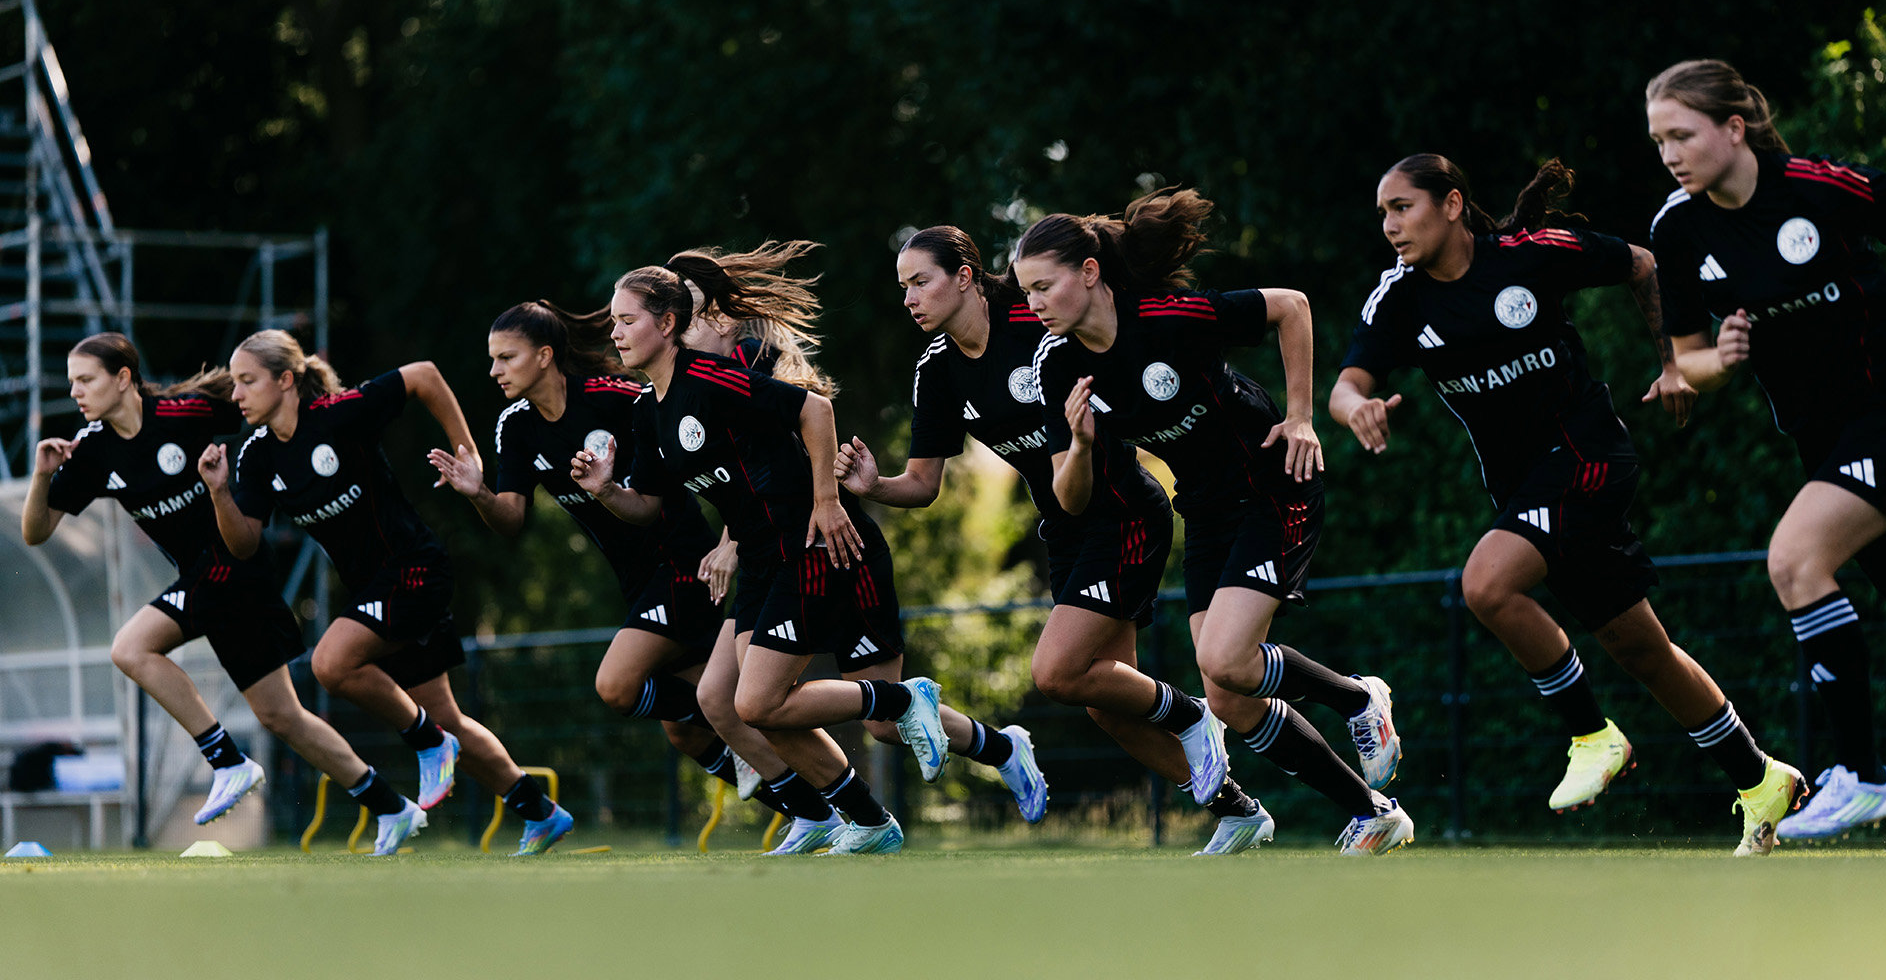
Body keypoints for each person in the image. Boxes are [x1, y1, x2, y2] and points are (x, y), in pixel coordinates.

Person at [1330, 153, 1807, 854]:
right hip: (1531, 491)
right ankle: (1761, 779)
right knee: (1641, 648)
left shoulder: (1530, 256)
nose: (1390, 225)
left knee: (1485, 584)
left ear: (1453, 204)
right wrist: (1356, 409)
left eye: (1402, 206)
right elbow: (1346, 385)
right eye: (1382, 214)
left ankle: (1592, 735)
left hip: (1589, 456)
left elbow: (1642, 262)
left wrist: (1674, 360)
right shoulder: (1398, 298)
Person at [575, 243, 1036, 854]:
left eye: (626, 319)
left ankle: (897, 732)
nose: (615, 332)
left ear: (669, 322)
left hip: (816, 546)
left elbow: (815, 410)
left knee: (771, 703)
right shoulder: (646, 414)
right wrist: (607, 492)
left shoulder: (719, 372)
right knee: (752, 705)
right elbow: (653, 506)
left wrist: (825, 501)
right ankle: (872, 810)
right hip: (769, 557)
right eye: (613, 320)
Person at [836, 225, 1278, 854]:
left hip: (1123, 514)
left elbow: (1116, 339)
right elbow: (923, 484)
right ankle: (1236, 810)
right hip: (1066, 532)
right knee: (1105, 701)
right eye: (902, 286)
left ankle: (1190, 715)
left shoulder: (1037, 320)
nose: (908, 297)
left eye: (920, 281)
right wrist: (875, 485)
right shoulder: (935, 371)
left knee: (1055, 672)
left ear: (964, 276)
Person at [1014, 188, 1412, 856]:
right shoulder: (1058, 366)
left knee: (1225, 658)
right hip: (1204, 509)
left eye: (1043, 286)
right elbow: (1072, 498)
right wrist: (1080, 446)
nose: (1034, 304)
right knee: (1227, 695)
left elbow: (1293, 307)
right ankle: (1374, 813)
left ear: (1088, 272)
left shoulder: (1167, 316)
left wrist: (1302, 415)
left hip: (1273, 483)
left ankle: (1356, 700)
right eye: (1025, 293)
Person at [1648, 58, 1886, 839]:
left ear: (1734, 128)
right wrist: (1719, 359)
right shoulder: (1677, 227)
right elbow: (1685, 360)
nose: (1670, 153)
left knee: (1795, 560)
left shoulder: (1822, 187)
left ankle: (1864, 777)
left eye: (1683, 134)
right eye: (1659, 139)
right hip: (1823, 442)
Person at [20, 333, 410, 840]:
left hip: (236, 565)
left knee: (131, 648)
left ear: (122, 379)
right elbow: (35, 531)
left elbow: (266, 403)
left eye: (85, 379)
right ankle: (392, 807)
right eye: (71, 381)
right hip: (209, 582)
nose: (75, 391)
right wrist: (41, 475)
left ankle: (227, 762)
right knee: (281, 715)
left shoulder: (186, 414)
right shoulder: (92, 451)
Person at [197, 329, 572, 855]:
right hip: (377, 590)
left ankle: (426, 743)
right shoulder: (256, 455)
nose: (236, 394)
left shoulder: (338, 414)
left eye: (246, 381)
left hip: (415, 568)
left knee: (331, 663)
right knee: (447, 717)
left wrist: (470, 457)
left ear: (285, 381)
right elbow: (244, 544)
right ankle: (541, 813)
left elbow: (424, 376)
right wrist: (218, 494)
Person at [425, 301, 774, 809]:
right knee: (686, 734)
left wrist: (733, 534)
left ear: (544, 356)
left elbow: (695, 430)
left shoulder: (615, 398)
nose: (494, 370)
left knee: (616, 685)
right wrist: (479, 493)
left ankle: (737, 725)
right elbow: (511, 519)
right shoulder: (516, 426)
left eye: (507, 357)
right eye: (493, 359)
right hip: (635, 580)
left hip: (683, 561)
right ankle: (809, 809)